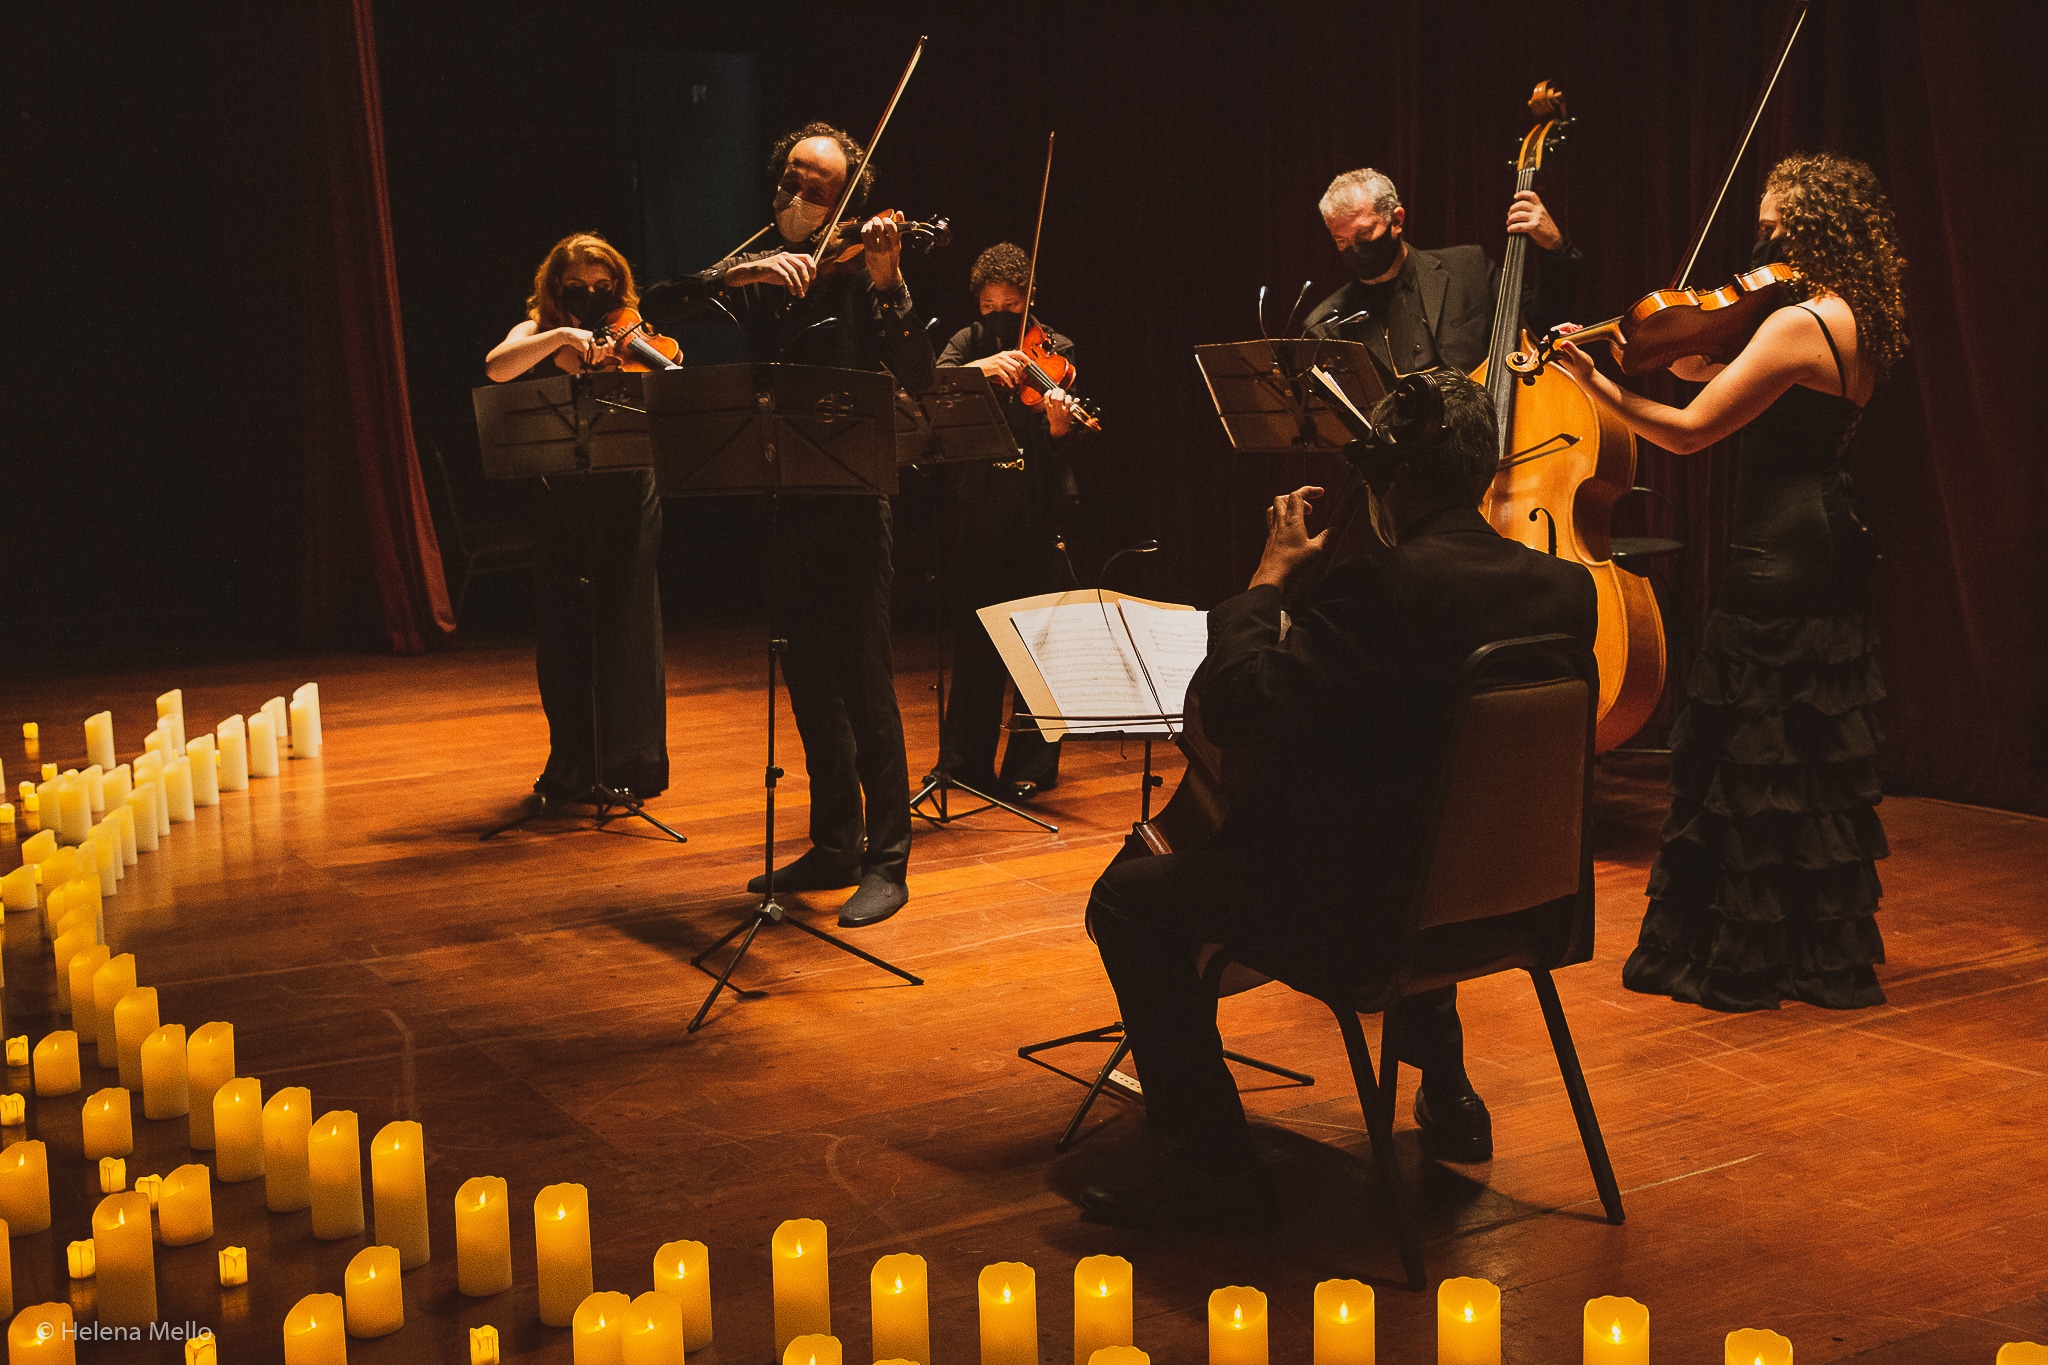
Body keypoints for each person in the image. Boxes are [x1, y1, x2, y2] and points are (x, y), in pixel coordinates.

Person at [1078, 370, 1597, 1231]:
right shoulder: (1563, 589)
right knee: (1412, 820)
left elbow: (1239, 706)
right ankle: (1449, 1089)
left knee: (1129, 901)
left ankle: (1212, 1168)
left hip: (1380, 923)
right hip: (1523, 909)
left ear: (1391, 474)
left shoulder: (1382, 590)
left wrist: (1268, 579)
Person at [1551, 152, 1907, 1013]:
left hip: (1778, 551)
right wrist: (1698, 348)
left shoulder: (1794, 326)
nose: (1763, 242)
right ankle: (1810, 947)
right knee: (1805, 748)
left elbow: (1685, 434)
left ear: (1806, 226)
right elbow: (1743, 388)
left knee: (1753, 742)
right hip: (1827, 540)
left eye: (1775, 225)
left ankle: (1741, 951)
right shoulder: (1852, 318)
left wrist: (1594, 382)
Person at [642, 122, 935, 928]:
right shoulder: (761, 263)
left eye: (823, 187)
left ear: (848, 201)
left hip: (850, 497)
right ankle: (835, 840)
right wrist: (739, 274)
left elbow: (912, 372)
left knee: (865, 680)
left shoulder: (863, 271)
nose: (804, 196)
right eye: (796, 179)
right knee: (806, 676)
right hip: (783, 500)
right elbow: (658, 304)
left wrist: (890, 282)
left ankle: (888, 860)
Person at [484, 232, 668, 804]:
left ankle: (629, 764)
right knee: (564, 625)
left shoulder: (630, 324)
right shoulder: (539, 328)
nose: (591, 294)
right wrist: (560, 335)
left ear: (616, 283)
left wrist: (641, 360)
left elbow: (669, 382)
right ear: (556, 286)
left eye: (601, 284)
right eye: (577, 286)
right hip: (563, 490)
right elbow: (496, 368)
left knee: (626, 623)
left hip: (628, 486)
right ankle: (573, 760)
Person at [930, 242, 1092, 802]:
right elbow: (934, 387)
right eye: (989, 302)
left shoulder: (1056, 348)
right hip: (981, 504)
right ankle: (964, 760)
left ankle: (1032, 765)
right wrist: (980, 368)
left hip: (1040, 505)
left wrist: (1057, 429)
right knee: (976, 639)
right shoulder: (967, 344)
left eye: (1010, 302)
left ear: (1028, 300)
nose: (999, 313)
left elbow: (1063, 449)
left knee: (1040, 642)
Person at [1303, 166, 1580, 373]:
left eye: (1364, 234)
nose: (1355, 250)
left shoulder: (1469, 267)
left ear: (1397, 221)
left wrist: (1555, 248)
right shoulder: (1327, 324)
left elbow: (1545, 323)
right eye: (1341, 241)